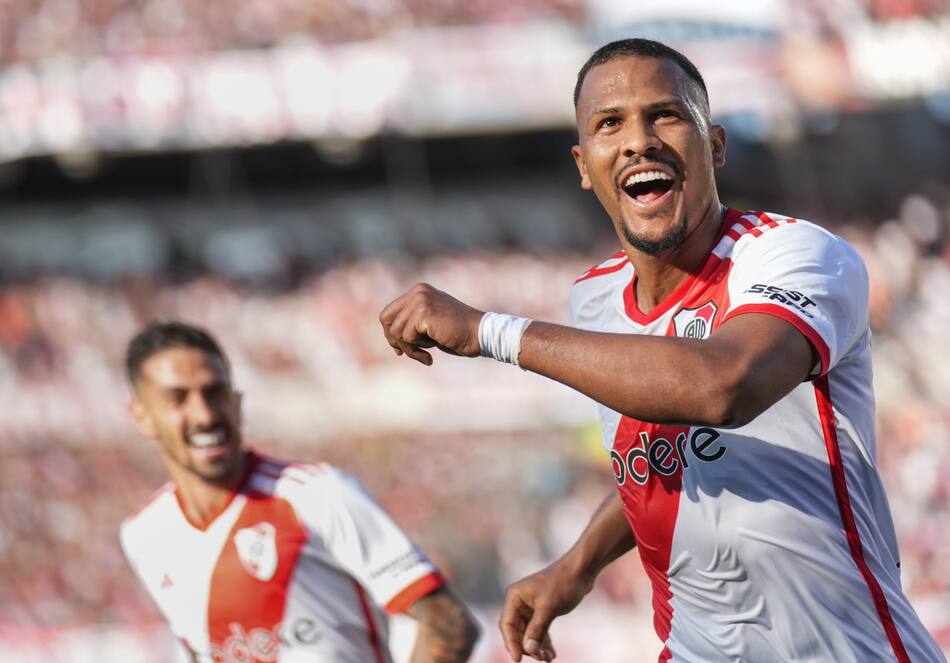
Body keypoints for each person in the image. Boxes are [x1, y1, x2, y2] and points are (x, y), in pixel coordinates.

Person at [379, 38, 945, 663]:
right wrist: (577, 565)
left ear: (716, 146)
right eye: (609, 123)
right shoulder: (594, 298)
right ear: (583, 165)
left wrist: (491, 332)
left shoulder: (794, 255)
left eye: (665, 115)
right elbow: (663, 456)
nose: (637, 141)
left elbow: (722, 389)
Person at [119, 321, 479, 663]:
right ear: (142, 416)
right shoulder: (144, 534)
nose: (204, 414)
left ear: (237, 401)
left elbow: (448, 624)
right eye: (178, 398)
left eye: (214, 393)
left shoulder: (316, 494)